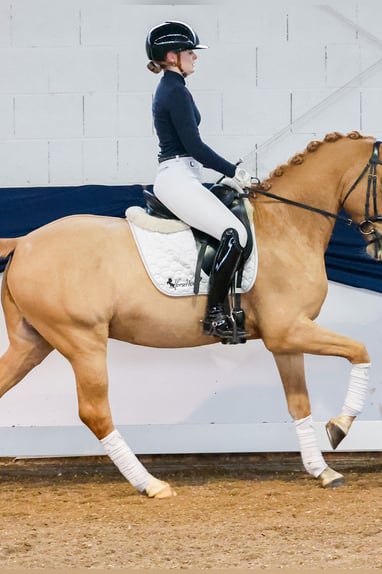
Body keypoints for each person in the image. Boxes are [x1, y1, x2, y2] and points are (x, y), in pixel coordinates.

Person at [146, 20, 252, 343]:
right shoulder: (174, 91)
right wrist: (233, 171)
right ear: (172, 55)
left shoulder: (175, 89)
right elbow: (195, 148)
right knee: (234, 234)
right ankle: (214, 315)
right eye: (190, 51)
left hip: (184, 175)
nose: (195, 56)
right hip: (177, 178)